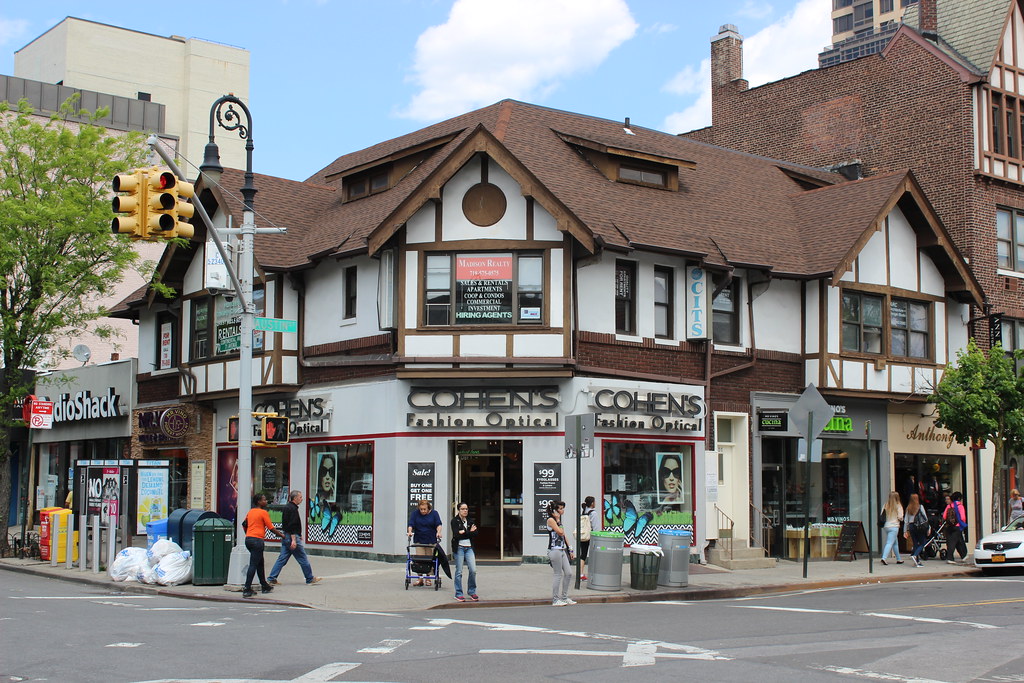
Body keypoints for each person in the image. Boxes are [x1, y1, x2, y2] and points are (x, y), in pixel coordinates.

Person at [267, 490, 322, 586]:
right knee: (302, 558)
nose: (302, 499)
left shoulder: (287, 507)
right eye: (300, 497)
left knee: (282, 558)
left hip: (286, 536)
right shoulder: (292, 509)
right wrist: (294, 539)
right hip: (291, 536)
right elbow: (292, 525)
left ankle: (272, 578)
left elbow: (287, 524)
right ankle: (309, 578)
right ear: (295, 498)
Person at [243, 493, 285, 598]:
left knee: (260, 563)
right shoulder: (263, 512)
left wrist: (248, 534)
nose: (266, 501)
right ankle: (247, 588)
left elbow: (244, 524)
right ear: (259, 502)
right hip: (257, 540)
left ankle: (264, 585)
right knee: (253, 564)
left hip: (249, 539)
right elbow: (271, 528)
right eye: (264, 500)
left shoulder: (250, 512)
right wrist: (282, 536)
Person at [546, 500, 576, 606]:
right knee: (558, 574)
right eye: (560, 508)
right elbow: (560, 532)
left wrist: (570, 549)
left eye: (563, 508)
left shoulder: (558, 521)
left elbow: (564, 536)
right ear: (555, 510)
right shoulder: (551, 520)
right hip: (554, 550)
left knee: (568, 573)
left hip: (562, 550)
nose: (562, 510)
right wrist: (558, 521)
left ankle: (564, 596)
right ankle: (555, 599)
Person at [407, 499, 442, 586]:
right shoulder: (415, 514)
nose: (423, 511)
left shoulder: (434, 513)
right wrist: (410, 531)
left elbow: (438, 524)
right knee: (420, 559)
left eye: (424, 509)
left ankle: (428, 578)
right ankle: (420, 578)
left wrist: (439, 532)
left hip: (431, 539)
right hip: (419, 539)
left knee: (429, 558)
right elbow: (411, 524)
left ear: (428, 508)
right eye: (421, 509)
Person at [450, 502, 479, 602]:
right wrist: (469, 532)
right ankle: (458, 593)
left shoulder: (470, 520)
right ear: (459, 510)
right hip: (459, 547)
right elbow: (457, 535)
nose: (465, 511)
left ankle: (472, 591)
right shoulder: (455, 521)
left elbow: (475, 533)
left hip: (469, 547)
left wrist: (465, 532)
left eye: (466, 509)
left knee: (473, 570)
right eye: (462, 509)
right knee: (459, 571)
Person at [902, 493, 929, 568]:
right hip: (919, 526)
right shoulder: (920, 507)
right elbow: (925, 518)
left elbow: (906, 520)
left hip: (911, 526)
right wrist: (928, 528)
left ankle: (917, 561)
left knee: (915, 543)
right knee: (923, 542)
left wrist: (905, 531)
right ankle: (915, 555)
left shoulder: (908, 508)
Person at [943, 491, 969, 564]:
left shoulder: (949, 506)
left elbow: (944, 516)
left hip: (949, 526)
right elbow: (963, 517)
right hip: (957, 526)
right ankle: (950, 558)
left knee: (956, 541)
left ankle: (963, 555)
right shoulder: (960, 506)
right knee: (954, 542)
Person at [879, 490, 904, 565]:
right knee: (890, 542)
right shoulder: (898, 505)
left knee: (895, 543)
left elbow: (881, 515)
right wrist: (901, 519)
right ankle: (884, 558)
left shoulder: (886, 505)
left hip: (886, 526)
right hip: (894, 526)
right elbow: (900, 517)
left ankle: (899, 559)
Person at [578, 496, 599, 581]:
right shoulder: (593, 513)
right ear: (592, 503)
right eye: (595, 501)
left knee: (583, 554)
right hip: (591, 536)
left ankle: (580, 574)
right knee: (595, 554)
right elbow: (596, 527)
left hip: (583, 535)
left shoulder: (584, 511)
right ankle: (594, 573)